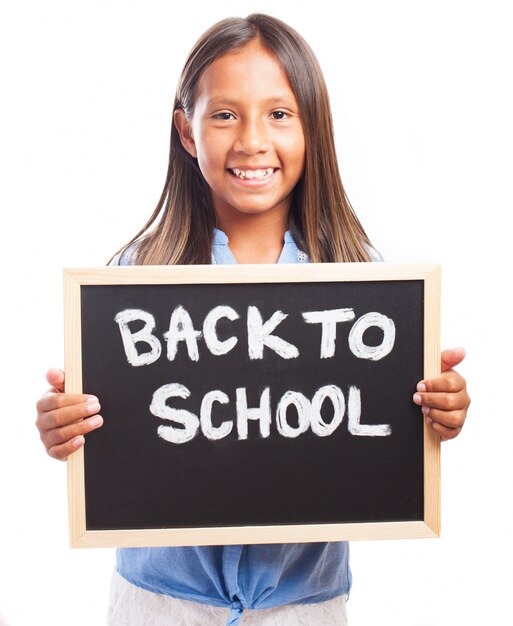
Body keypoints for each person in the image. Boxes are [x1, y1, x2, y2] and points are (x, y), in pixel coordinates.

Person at [35, 13, 471, 626]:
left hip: (304, 606)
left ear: (312, 129)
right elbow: (110, 431)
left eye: (279, 114)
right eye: (224, 115)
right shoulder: (136, 276)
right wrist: (66, 430)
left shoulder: (356, 278)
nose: (251, 141)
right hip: (160, 603)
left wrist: (435, 413)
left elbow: (382, 428)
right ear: (187, 133)